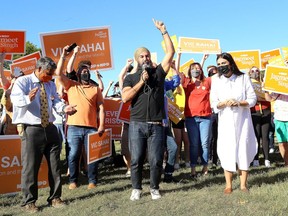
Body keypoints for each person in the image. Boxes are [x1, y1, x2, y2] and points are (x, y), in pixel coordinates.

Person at [10, 57, 77, 213]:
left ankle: (55, 197)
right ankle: (29, 201)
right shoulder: (23, 82)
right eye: (48, 74)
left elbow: (56, 102)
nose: (50, 77)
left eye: (52, 74)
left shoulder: (50, 84)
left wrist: (64, 108)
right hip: (32, 129)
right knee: (30, 167)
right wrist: (28, 98)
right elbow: (15, 100)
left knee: (55, 166)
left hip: (51, 128)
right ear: (38, 69)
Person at [122, 18, 175, 201]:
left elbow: (170, 52)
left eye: (147, 55)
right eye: (142, 56)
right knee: (136, 159)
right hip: (137, 125)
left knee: (155, 160)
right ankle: (136, 188)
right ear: (137, 59)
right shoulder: (130, 78)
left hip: (156, 125)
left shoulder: (159, 73)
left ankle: (154, 188)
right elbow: (125, 97)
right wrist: (141, 82)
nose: (146, 58)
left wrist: (163, 31)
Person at [56, 46, 105, 190]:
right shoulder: (71, 85)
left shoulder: (96, 89)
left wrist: (101, 125)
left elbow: (101, 107)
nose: (85, 72)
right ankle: (73, 181)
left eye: (87, 71)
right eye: (82, 71)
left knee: (92, 156)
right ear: (77, 74)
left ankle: (92, 181)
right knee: (73, 155)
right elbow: (59, 74)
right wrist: (64, 56)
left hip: (91, 128)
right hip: (73, 127)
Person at [210, 52, 257, 194]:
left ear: (230, 63)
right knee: (227, 149)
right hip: (225, 121)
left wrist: (239, 103)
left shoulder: (243, 78)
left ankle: (243, 185)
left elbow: (252, 99)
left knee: (243, 147)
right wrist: (222, 103)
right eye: (218, 64)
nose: (221, 66)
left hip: (243, 120)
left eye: (223, 63)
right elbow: (213, 102)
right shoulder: (216, 81)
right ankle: (228, 184)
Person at [178, 52, 212, 178]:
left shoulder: (206, 82)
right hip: (191, 118)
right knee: (194, 144)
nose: (196, 70)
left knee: (204, 143)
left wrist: (203, 59)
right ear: (189, 71)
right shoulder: (187, 84)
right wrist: (179, 55)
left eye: (198, 68)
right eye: (193, 69)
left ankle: (205, 167)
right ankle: (193, 169)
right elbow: (177, 71)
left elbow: (202, 71)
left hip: (206, 118)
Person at [248, 66, 271, 167]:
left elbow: (269, 97)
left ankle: (267, 159)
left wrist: (261, 97)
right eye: (252, 71)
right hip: (254, 112)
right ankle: (256, 158)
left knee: (265, 136)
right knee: (256, 136)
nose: (255, 72)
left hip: (266, 110)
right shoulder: (248, 84)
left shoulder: (265, 84)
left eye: (256, 70)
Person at [265, 92, 288, 166]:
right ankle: (286, 162)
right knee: (282, 143)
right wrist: (266, 91)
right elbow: (269, 99)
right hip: (279, 118)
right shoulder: (277, 89)